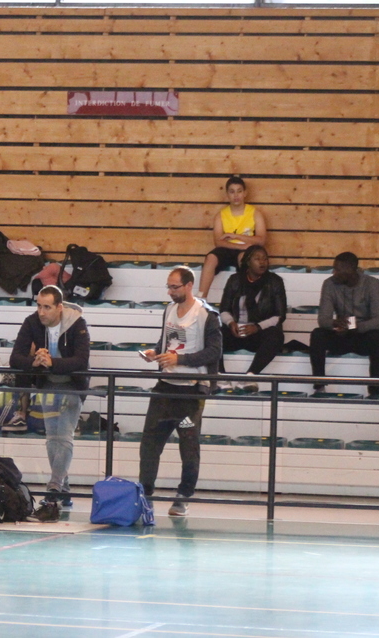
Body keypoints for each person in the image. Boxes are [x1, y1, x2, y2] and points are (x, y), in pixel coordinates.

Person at [139, 266, 222, 518]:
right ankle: (145, 494)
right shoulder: (169, 310)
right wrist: (155, 353)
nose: (170, 291)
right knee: (150, 443)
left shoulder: (207, 315)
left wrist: (180, 360)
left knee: (188, 444)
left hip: (191, 393)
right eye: (168, 286)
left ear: (188, 286)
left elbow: (214, 352)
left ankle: (184, 495)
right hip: (165, 388)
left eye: (174, 287)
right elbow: (166, 341)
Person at [9, 285, 91, 522]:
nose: (41, 312)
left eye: (47, 307)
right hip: (47, 385)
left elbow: (81, 360)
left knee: (62, 437)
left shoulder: (77, 323)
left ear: (59, 307)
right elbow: (15, 358)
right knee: (52, 439)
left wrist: (53, 362)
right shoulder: (32, 322)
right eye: (39, 306)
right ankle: (64, 491)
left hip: (72, 385)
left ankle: (53, 494)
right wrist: (34, 363)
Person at [309, 252, 379, 396]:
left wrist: (354, 326)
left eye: (337, 269)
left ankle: (374, 390)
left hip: (363, 336)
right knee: (317, 334)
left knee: (377, 337)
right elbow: (323, 319)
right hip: (341, 335)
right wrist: (334, 323)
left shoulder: (372, 283)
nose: (334, 272)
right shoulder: (329, 284)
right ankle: (319, 385)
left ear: (350, 269)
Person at [216, 246, 285, 392]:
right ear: (248, 262)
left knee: (276, 336)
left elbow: (280, 315)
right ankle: (221, 377)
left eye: (265, 259)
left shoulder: (275, 281)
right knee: (213, 333)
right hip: (237, 331)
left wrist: (257, 327)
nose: (262, 262)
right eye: (257, 259)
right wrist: (231, 323)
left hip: (258, 333)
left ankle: (250, 376)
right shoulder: (234, 280)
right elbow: (224, 310)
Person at [197, 175, 267, 300]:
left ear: (245, 193)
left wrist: (235, 236)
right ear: (227, 195)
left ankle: (246, 300)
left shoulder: (255, 213)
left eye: (239, 191)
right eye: (232, 192)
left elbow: (261, 240)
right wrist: (239, 245)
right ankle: (200, 299)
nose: (236, 195)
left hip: (246, 250)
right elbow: (218, 242)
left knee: (243, 258)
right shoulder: (221, 215)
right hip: (229, 249)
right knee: (211, 257)